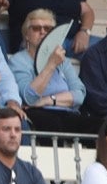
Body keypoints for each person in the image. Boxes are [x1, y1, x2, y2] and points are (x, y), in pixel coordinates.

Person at [9, 8, 94, 136]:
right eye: (36, 28)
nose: (43, 32)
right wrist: (51, 64)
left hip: (67, 113)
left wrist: (47, 100)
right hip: (40, 115)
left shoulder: (63, 60)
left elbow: (79, 94)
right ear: (27, 34)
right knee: (52, 124)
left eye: (48, 29)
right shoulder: (19, 61)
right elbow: (29, 97)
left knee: (102, 126)